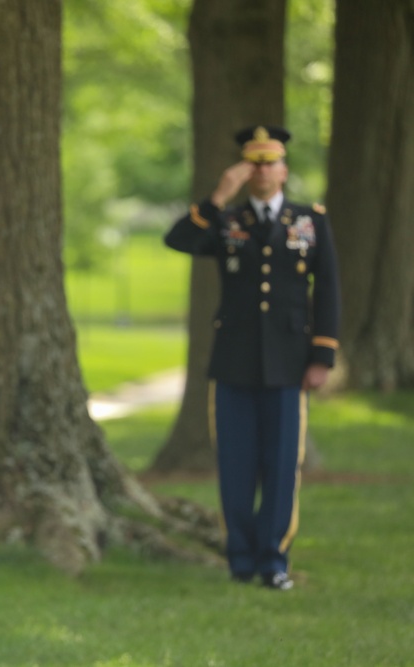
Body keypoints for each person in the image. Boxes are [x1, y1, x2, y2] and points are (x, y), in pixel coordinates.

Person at [164, 126, 341, 590]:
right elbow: (178, 240)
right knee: (237, 466)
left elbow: (328, 290)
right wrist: (219, 195)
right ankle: (240, 559)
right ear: (245, 169)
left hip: (288, 363)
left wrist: (323, 354)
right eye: (254, 162)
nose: (262, 170)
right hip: (235, 363)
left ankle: (274, 560)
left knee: (283, 466)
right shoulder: (227, 220)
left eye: (271, 162)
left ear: (284, 169)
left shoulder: (310, 221)